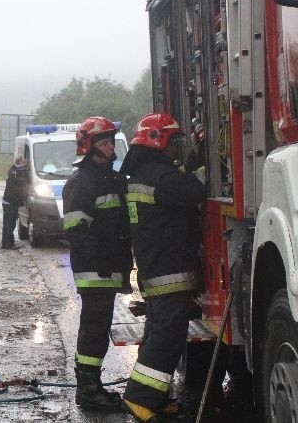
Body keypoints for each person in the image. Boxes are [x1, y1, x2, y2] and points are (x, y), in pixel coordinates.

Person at [119, 113, 206, 422]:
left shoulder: (146, 174)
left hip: (156, 267)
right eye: (173, 142)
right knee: (167, 336)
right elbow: (194, 192)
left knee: (159, 332)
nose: (174, 150)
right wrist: (204, 168)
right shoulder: (159, 176)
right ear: (158, 141)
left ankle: (154, 398)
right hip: (168, 268)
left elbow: (176, 181)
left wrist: (189, 164)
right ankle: (139, 399)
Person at [62, 116, 132, 411]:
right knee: (93, 326)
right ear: (89, 146)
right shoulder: (84, 180)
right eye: (105, 141)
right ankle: (88, 391)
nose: (111, 145)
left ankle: (91, 385)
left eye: (112, 140)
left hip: (107, 265)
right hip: (94, 268)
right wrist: (100, 257)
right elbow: (75, 228)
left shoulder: (109, 176)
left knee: (98, 325)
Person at [1, 155, 28, 249]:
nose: (25, 164)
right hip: (11, 202)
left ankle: (5, 243)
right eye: (24, 162)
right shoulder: (16, 173)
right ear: (20, 163)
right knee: (10, 224)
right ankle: (9, 244)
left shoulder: (13, 170)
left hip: (7, 201)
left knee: (7, 224)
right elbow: (19, 184)